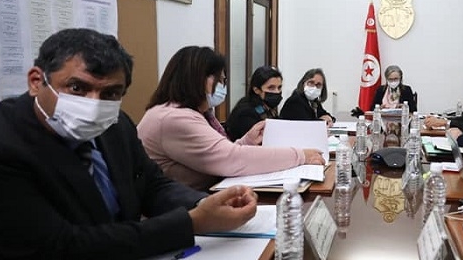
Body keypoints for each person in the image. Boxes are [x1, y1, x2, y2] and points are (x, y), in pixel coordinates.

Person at [0, 28, 260, 260]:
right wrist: (194, 222)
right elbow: (61, 248)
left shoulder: (115, 125)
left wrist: (210, 203)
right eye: (77, 87)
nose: (93, 104)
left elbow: (152, 186)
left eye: (110, 94)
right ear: (37, 81)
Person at [137, 47, 325, 191]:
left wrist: (246, 141)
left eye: (224, 81)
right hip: (179, 212)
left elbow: (217, 155)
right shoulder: (173, 118)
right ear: (194, 79)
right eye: (218, 80)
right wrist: (300, 155)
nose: (222, 87)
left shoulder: (198, 114)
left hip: (198, 199)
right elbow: (231, 159)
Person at [226, 65, 283, 141]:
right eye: (271, 88)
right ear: (256, 90)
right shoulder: (246, 112)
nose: (277, 92)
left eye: (279, 87)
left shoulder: (267, 107)